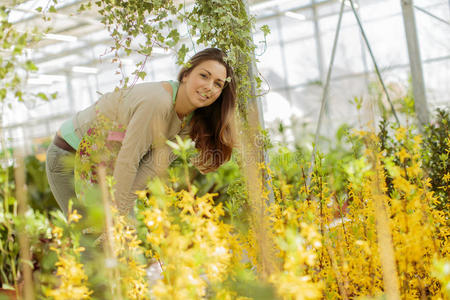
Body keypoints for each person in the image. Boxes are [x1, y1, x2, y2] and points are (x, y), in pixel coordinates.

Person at [45, 48, 237, 217]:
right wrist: (116, 216)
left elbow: (150, 168)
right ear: (186, 74)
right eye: (204, 76)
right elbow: (129, 159)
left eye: (218, 84)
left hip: (108, 164)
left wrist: (122, 213)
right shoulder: (158, 102)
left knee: (121, 234)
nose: (209, 87)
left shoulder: (190, 123)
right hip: (69, 156)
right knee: (91, 239)